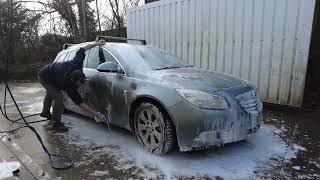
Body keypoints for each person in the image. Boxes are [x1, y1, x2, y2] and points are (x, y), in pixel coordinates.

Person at [38, 40, 106, 132]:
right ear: (72, 81)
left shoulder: (77, 62)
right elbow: (80, 103)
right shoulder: (68, 86)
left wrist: (96, 44)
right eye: (78, 83)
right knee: (58, 97)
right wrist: (96, 114)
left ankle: (45, 113)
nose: (80, 86)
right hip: (44, 76)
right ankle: (56, 123)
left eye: (82, 82)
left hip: (53, 74)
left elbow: (82, 49)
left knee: (51, 93)